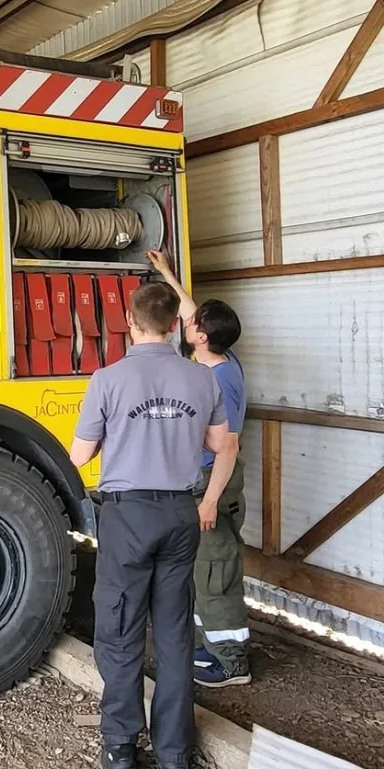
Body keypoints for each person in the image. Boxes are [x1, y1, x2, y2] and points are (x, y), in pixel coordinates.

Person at [70, 281, 237, 769]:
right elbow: (220, 443)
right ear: (173, 325)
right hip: (180, 515)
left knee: (120, 632)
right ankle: (175, 760)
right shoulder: (201, 376)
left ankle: (122, 757)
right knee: (173, 634)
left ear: (130, 320)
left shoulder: (107, 379)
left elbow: (80, 455)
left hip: (129, 516)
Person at [147, 250, 251, 689]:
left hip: (215, 482)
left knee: (215, 573)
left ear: (202, 336)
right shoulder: (217, 358)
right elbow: (192, 311)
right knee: (200, 569)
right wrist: (167, 273)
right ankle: (211, 647)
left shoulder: (219, 380)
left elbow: (228, 446)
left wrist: (209, 501)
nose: (185, 321)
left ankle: (232, 664)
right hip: (202, 480)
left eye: (192, 323)